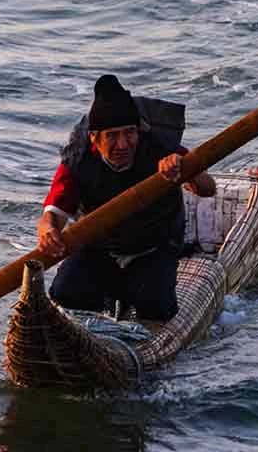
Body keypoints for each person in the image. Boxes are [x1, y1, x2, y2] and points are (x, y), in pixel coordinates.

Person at [35, 74, 215, 322]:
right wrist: (47, 232)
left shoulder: (161, 147)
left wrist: (184, 169)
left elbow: (208, 188)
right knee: (64, 293)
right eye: (112, 135)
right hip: (99, 248)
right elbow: (52, 217)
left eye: (129, 133)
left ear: (139, 131)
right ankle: (108, 298)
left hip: (153, 247)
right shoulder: (77, 161)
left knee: (157, 307)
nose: (122, 144)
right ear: (94, 138)